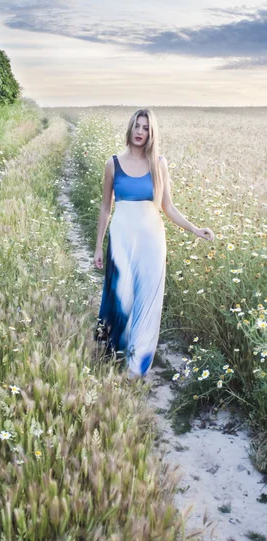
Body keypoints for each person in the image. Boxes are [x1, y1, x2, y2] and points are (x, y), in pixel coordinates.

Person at [93, 108, 214, 379]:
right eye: (136, 126)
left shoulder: (159, 164)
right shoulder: (113, 163)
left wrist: (195, 228)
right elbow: (104, 208)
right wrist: (98, 245)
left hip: (152, 242)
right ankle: (113, 355)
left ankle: (136, 367)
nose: (139, 132)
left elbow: (167, 207)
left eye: (145, 127)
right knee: (120, 296)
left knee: (147, 300)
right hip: (121, 240)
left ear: (151, 132)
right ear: (130, 128)